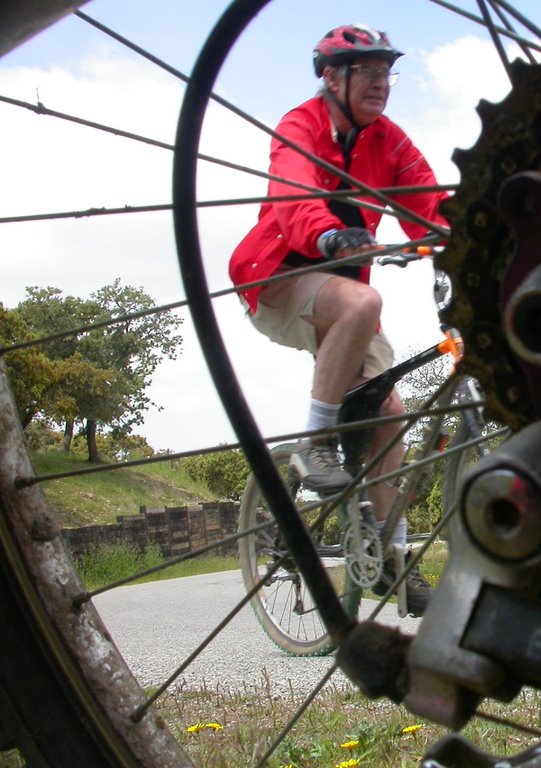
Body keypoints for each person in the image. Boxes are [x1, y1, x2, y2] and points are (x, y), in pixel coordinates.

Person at [229, 23, 448, 615]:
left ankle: (395, 563)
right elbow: (293, 195)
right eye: (368, 73)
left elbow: (427, 198)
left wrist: (470, 228)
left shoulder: (387, 140)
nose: (381, 84)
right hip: (277, 280)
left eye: (387, 74)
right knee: (363, 303)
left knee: (390, 412)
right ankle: (314, 444)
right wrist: (329, 235)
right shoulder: (299, 126)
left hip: (344, 293)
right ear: (332, 77)